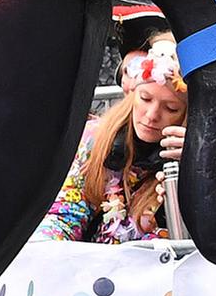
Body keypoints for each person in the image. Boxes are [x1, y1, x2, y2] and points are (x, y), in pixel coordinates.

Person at [36, 42, 188, 243]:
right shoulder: (96, 137)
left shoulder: (192, 160)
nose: (152, 115)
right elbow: (66, 215)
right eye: (145, 98)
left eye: (170, 108)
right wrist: (42, 247)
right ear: (132, 94)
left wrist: (193, 171)